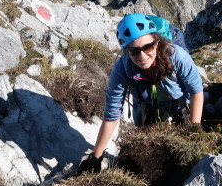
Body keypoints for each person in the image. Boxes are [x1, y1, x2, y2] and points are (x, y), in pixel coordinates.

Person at [87, 13, 204, 171]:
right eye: (134, 51)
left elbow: (196, 91)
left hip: (178, 104)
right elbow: (112, 113)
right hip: (147, 105)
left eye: (147, 47)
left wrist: (193, 130)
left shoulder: (177, 56)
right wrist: (96, 156)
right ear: (127, 51)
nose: (142, 56)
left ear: (156, 42)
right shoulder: (122, 68)